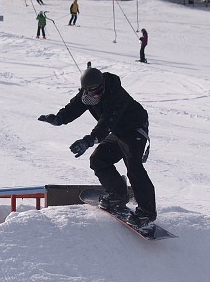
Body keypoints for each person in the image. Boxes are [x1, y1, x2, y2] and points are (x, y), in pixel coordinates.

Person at [38, 67, 157, 226]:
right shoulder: (87, 96)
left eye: (100, 90)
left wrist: (89, 140)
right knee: (98, 159)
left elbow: (107, 122)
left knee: (133, 164)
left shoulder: (116, 94)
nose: (97, 94)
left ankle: (147, 212)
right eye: (93, 92)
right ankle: (118, 195)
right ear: (86, 90)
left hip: (134, 128)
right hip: (119, 131)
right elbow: (73, 107)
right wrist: (59, 119)